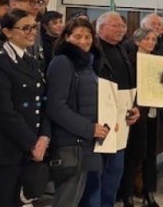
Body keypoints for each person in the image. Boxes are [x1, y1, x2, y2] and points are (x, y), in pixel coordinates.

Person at [0, 9, 51, 206]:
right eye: (25, 28)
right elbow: (3, 112)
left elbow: (42, 102)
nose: (31, 32)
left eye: (34, 28)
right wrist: (32, 143)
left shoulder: (31, 62)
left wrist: (44, 137)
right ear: (8, 32)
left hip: (29, 150)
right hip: (5, 151)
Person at [81, 11, 140, 207]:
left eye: (122, 26)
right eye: (115, 25)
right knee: (96, 174)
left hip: (121, 123)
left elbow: (128, 85)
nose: (121, 29)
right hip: (98, 122)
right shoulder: (92, 51)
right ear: (100, 27)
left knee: (115, 172)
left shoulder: (122, 50)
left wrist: (135, 107)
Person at [46, 17, 105, 207]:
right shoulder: (62, 62)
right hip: (69, 145)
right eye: (78, 36)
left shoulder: (88, 64)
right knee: (64, 200)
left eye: (88, 36)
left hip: (85, 144)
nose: (84, 41)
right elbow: (56, 106)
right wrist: (88, 129)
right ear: (66, 37)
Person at [119, 28, 163, 207]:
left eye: (153, 39)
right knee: (132, 156)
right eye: (147, 39)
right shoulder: (129, 60)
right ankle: (127, 194)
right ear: (137, 41)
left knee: (151, 155)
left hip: (153, 113)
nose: (151, 42)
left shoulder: (159, 60)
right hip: (135, 113)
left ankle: (148, 193)